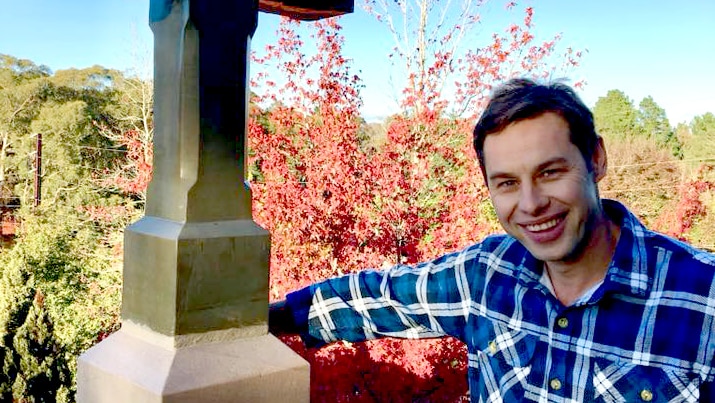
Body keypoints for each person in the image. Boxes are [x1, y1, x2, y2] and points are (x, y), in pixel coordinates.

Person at [269, 78, 715, 402]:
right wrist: (244, 318)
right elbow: (375, 299)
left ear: (596, 159)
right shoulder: (485, 276)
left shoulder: (702, 299)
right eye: (505, 183)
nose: (531, 203)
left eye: (550, 172)